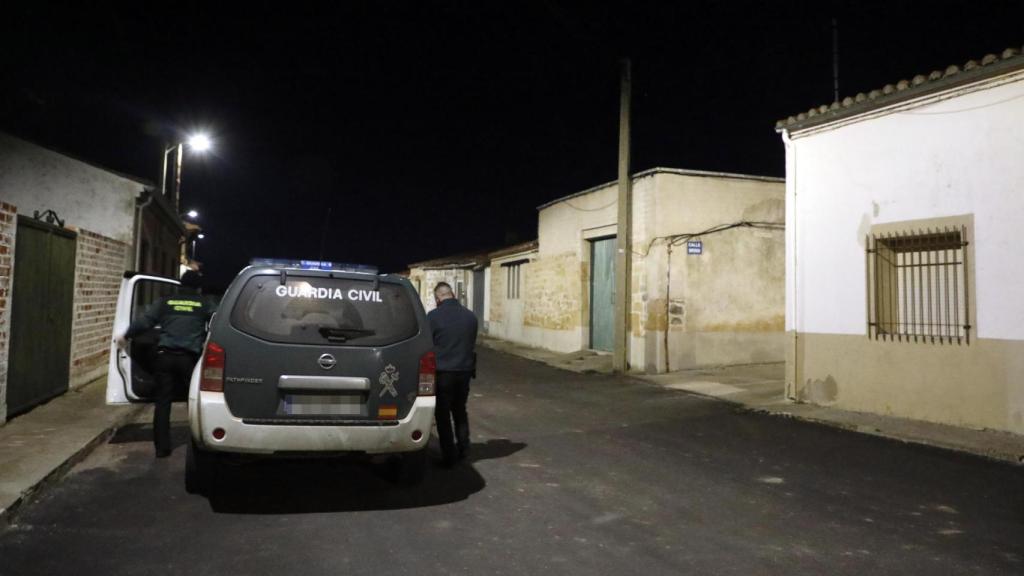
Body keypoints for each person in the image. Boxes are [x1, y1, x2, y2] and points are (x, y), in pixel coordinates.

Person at [117, 270, 213, 458]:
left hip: (165, 358)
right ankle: (198, 444)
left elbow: (144, 322)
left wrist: (125, 336)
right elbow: (217, 322)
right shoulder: (203, 304)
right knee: (194, 403)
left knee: (163, 403)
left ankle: (162, 448)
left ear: (181, 285)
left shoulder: (166, 302)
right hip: (189, 361)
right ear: (198, 287)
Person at [426, 281, 478, 467]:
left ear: (438, 297)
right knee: (460, 411)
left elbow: (427, 345)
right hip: (464, 371)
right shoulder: (470, 317)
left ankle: (449, 456)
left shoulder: (433, 317)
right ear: (452, 294)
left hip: (443, 373)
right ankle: (464, 449)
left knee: (442, 415)